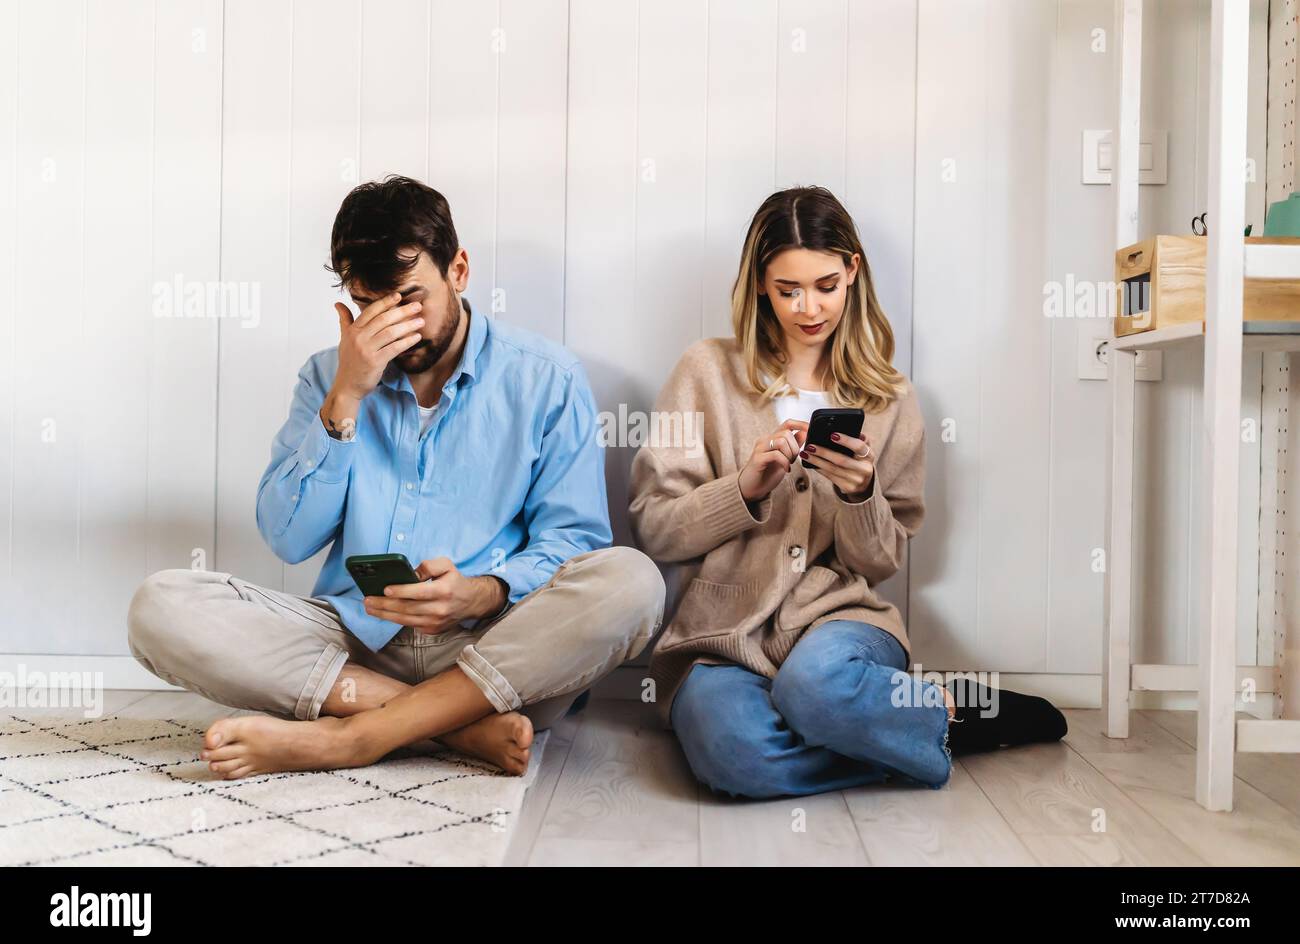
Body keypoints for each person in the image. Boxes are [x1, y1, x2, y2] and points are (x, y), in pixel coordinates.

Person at [128, 175, 664, 779]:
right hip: (354, 648)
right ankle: (455, 727)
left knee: (632, 581)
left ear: (458, 271)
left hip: (492, 648)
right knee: (160, 606)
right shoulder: (327, 378)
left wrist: (482, 591)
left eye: (409, 299)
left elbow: (575, 543)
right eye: (368, 306)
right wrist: (346, 398)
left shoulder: (547, 379)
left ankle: (352, 739)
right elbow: (287, 538)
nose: (392, 326)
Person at [628, 186, 1066, 799]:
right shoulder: (704, 372)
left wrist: (862, 498)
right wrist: (743, 491)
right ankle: (935, 720)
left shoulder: (890, 397)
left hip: (840, 622)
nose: (809, 307)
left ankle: (879, 718)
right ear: (758, 283)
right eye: (788, 290)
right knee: (737, 755)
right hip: (722, 632)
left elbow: (882, 562)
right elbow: (656, 528)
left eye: (826, 285)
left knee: (813, 690)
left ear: (853, 270)